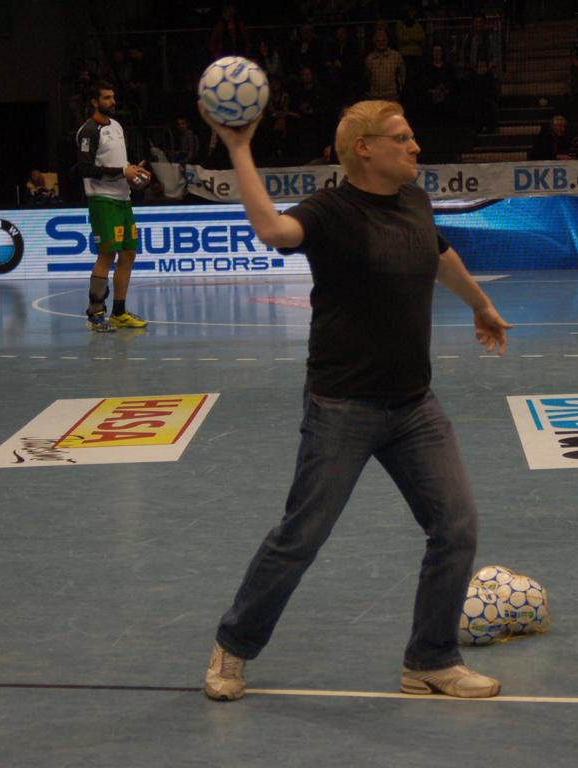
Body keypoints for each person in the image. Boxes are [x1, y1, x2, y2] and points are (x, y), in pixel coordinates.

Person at [198, 98, 513, 701]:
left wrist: (480, 304)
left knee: (455, 528)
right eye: (402, 137)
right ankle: (233, 645)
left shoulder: (414, 200)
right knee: (301, 536)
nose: (415, 146)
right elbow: (273, 231)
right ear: (364, 149)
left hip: (414, 405)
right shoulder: (331, 211)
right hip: (343, 408)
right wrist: (238, 147)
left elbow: (438, 252)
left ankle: (430, 661)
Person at [75, 81, 150, 332]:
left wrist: (134, 173)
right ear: (95, 101)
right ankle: (95, 314)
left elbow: (119, 163)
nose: (112, 101)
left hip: (123, 198)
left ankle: (119, 313)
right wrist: (122, 172)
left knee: (128, 254)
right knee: (107, 254)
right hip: (102, 199)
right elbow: (85, 169)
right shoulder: (88, 131)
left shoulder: (117, 126)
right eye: (106, 97)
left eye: (113, 97)